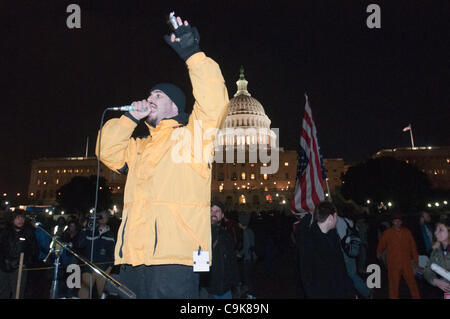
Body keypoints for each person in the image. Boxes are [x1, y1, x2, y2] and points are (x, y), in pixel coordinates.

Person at [96, 14, 229, 299]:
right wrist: (129, 118)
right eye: (150, 94)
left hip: (176, 257)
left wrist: (193, 55)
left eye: (158, 95)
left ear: (174, 107)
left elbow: (214, 104)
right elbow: (106, 151)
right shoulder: (140, 146)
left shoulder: (191, 138)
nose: (150, 98)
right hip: (134, 256)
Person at [298, 201, 355, 299]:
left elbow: (342, 270)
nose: (337, 220)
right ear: (330, 218)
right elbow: (307, 277)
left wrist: (350, 292)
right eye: (336, 216)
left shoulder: (333, 237)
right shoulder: (309, 242)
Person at [376, 212, 421, 299]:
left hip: (406, 263)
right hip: (393, 264)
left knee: (412, 283)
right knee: (393, 285)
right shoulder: (387, 233)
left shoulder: (407, 232)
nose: (397, 223)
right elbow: (381, 245)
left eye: (399, 221)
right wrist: (378, 253)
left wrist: (415, 260)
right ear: (392, 222)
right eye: (395, 221)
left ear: (401, 222)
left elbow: (413, 247)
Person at [200, 201, 239, 299]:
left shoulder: (226, 236)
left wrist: (235, 283)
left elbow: (232, 262)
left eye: (217, 211)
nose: (213, 213)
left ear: (222, 215)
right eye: (211, 210)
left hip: (225, 289)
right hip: (208, 289)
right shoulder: (200, 235)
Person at [0, 210, 38, 299]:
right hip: (4, 267)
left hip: (20, 267)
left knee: (18, 293)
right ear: (12, 219)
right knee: (3, 291)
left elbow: (33, 250)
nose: (20, 220)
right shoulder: (5, 232)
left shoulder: (28, 233)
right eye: (18, 218)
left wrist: (26, 263)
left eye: (22, 218)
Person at [78, 211, 115, 299]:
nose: (102, 218)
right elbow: (80, 244)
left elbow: (113, 253)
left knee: (101, 294)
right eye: (100, 216)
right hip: (89, 267)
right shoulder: (90, 231)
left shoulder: (110, 234)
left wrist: (109, 268)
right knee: (84, 292)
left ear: (107, 219)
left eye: (104, 216)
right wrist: (85, 229)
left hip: (103, 269)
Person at [336, 214, 372, 299]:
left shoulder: (337, 221)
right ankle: (364, 292)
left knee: (350, 275)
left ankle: (366, 292)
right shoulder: (348, 220)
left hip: (344, 251)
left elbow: (341, 238)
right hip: (352, 250)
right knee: (352, 274)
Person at [423, 217, 450, 296]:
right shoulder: (436, 251)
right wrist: (435, 281)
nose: (435, 233)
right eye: (436, 230)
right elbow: (428, 269)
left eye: (441, 230)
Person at [237, 214, 256, 299]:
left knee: (247, 277)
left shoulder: (245, 232)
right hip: (252, 257)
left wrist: (240, 254)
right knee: (250, 276)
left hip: (248, 258)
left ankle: (250, 294)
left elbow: (246, 246)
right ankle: (251, 293)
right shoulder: (250, 230)